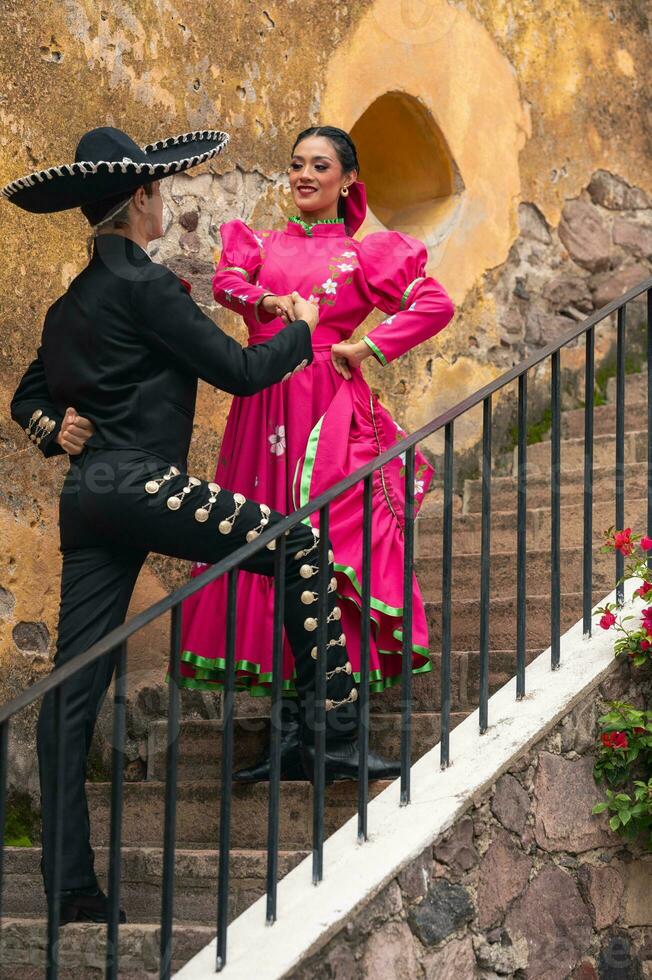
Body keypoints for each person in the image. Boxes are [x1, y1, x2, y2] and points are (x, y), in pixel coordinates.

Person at [4, 124, 398, 926]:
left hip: (90, 500)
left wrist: (55, 430)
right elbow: (243, 373)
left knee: (72, 692)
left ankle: (72, 891)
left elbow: (27, 397)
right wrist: (298, 324)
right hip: (144, 486)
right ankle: (328, 725)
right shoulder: (147, 288)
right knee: (298, 539)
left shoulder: (67, 304)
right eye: (160, 192)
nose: (165, 202)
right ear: (143, 199)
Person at [179, 126, 455, 782]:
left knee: (332, 551)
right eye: (298, 164)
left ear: (348, 180)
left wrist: (368, 347)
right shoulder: (261, 245)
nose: (304, 174)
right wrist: (270, 301)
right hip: (261, 409)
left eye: (319, 165)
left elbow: (434, 302)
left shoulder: (365, 256)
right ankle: (291, 737)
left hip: (326, 416)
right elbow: (225, 283)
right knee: (269, 551)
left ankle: (338, 732)